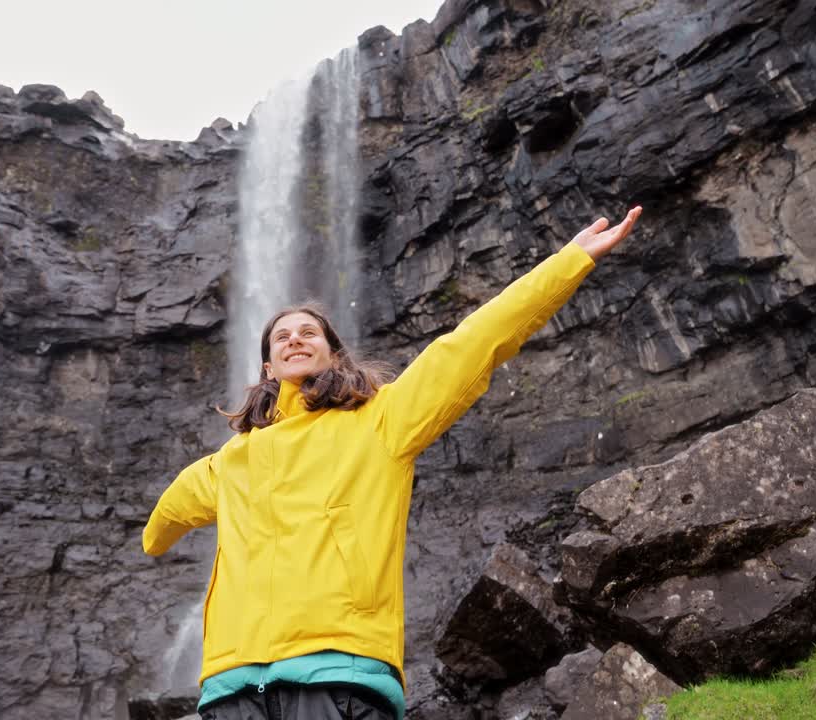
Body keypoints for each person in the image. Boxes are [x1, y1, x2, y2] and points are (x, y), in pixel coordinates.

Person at [143, 207, 643, 720]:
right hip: (233, 688)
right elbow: (175, 506)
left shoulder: (382, 421)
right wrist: (154, 536)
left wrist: (569, 261)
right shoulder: (230, 461)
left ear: (334, 356)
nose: (295, 338)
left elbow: (468, 346)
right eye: (282, 336)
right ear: (268, 367)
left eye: (309, 333)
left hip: (338, 674)